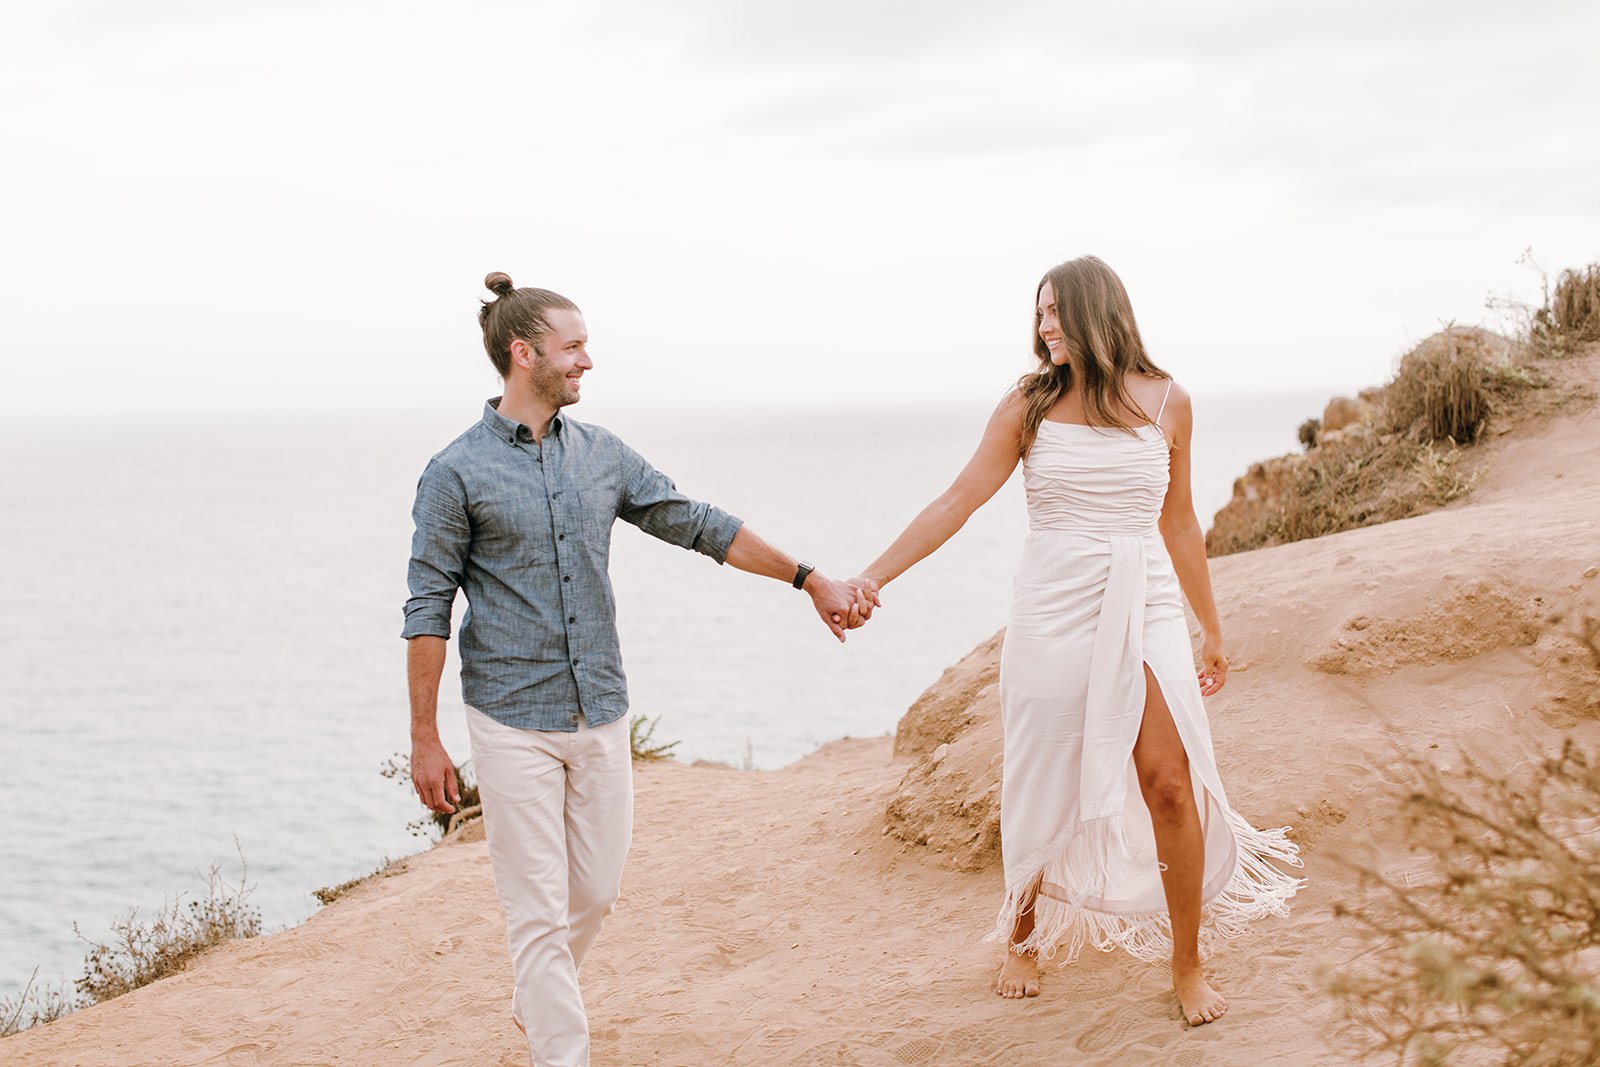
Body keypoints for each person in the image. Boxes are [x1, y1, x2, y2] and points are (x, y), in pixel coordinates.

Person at [402, 272, 876, 1067]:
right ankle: (562, 1051)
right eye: (573, 345)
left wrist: (808, 577)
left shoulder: (603, 454)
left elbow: (697, 523)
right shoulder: (454, 472)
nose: (588, 359)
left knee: (596, 892)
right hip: (509, 718)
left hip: (601, 707)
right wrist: (425, 735)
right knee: (538, 911)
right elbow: (427, 606)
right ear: (525, 354)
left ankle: (535, 995)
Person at [848, 256, 1303, 1026]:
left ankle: (1187, 962)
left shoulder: (1168, 401)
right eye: (1039, 313)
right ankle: (1020, 935)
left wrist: (1211, 627)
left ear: (1099, 311)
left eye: (1055, 310)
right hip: (1054, 601)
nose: (1043, 325)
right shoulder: (1028, 404)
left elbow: (1181, 521)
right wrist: (874, 575)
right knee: (1041, 769)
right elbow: (959, 498)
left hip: (1145, 598)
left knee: (1168, 777)